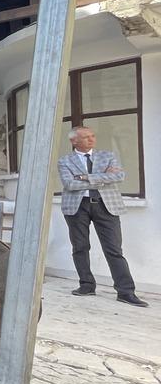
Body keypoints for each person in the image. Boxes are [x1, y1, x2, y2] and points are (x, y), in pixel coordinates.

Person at [57, 126, 147, 307]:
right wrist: (103, 177)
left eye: (92, 136)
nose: (91, 139)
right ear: (74, 141)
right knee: (80, 247)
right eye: (86, 137)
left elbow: (119, 176)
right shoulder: (64, 160)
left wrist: (84, 177)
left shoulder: (108, 156)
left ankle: (126, 292)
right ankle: (86, 285)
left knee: (114, 249)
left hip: (106, 206)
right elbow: (69, 184)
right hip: (77, 207)